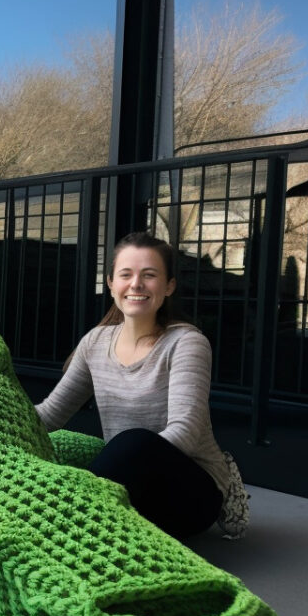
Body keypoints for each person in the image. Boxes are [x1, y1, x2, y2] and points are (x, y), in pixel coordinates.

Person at [34, 231, 249, 539]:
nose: (136, 284)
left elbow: (185, 433)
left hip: (189, 491)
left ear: (169, 286)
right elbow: (49, 415)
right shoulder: (94, 343)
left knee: (134, 443)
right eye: (126, 274)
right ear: (111, 283)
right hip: (127, 484)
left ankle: (69, 518)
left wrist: (109, 477)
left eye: (149, 275)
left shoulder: (186, 343)